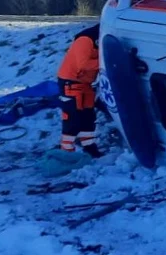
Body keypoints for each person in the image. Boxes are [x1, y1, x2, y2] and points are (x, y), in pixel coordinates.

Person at [56, 24, 102, 158]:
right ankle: (66, 151)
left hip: (86, 83)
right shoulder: (85, 40)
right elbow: (84, 64)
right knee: (72, 118)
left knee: (87, 117)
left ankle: (89, 147)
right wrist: (104, 61)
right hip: (70, 82)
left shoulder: (97, 41)